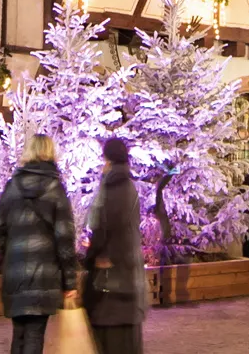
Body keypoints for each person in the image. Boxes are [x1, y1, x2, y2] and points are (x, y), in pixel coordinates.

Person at [0, 135, 77, 354]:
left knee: (18, 333)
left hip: (16, 270)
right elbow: (65, 237)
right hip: (44, 273)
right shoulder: (55, 189)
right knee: (35, 334)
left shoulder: (13, 186)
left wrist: (10, 250)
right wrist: (70, 282)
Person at [83, 138, 143, 354]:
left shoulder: (113, 186)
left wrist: (91, 257)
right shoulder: (128, 185)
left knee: (112, 341)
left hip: (112, 280)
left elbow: (104, 227)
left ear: (107, 159)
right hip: (126, 276)